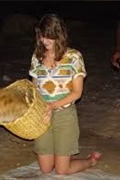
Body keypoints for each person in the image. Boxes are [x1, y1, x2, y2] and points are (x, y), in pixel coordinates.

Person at [29, 14, 102, 175]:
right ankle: (58, 156)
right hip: (43, 116)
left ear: (59, 34)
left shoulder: (73, 57)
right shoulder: (37, 57)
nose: (44, 41)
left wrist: (52, 106)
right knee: (46, 169)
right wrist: (37, 109)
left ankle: (89, 161)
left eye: (49, 36)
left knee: (62, 171)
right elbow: (35, 88)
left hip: (64, 115)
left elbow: (77, 93)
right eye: (42, 36)